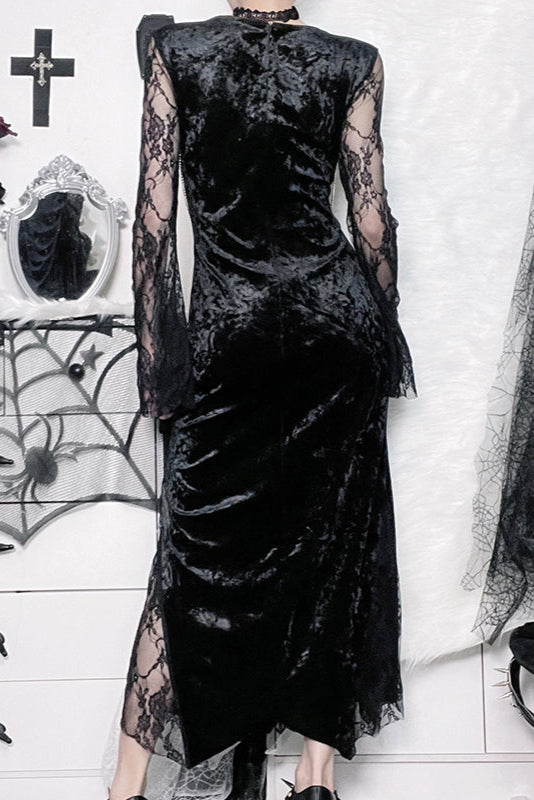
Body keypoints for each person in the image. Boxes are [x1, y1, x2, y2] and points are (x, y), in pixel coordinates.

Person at [108, 2, 416, 799]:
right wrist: (380, 334)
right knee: (332, 552)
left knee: (194, 556)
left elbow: (152, 223)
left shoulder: (177, 51)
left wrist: (160, 366)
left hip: (230, 333)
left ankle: (126, 788)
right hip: (334, 329)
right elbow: (371, 220)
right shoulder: (352, 59)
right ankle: (315, 776)